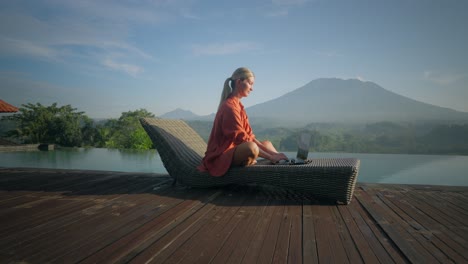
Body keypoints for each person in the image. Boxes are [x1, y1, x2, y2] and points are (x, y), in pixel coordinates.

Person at [198, 67, 288, 177]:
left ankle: (281, 161)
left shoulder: (239, 106)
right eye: (250, 84)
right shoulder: (229, 107)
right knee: (251, 148)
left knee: (267, 143)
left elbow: (249, 136)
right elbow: (242, 139)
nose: (252, 88)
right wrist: (270, 157)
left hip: (235, 150)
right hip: (220, 157)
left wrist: (275, 154)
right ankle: (276, 162)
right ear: (239, 82)